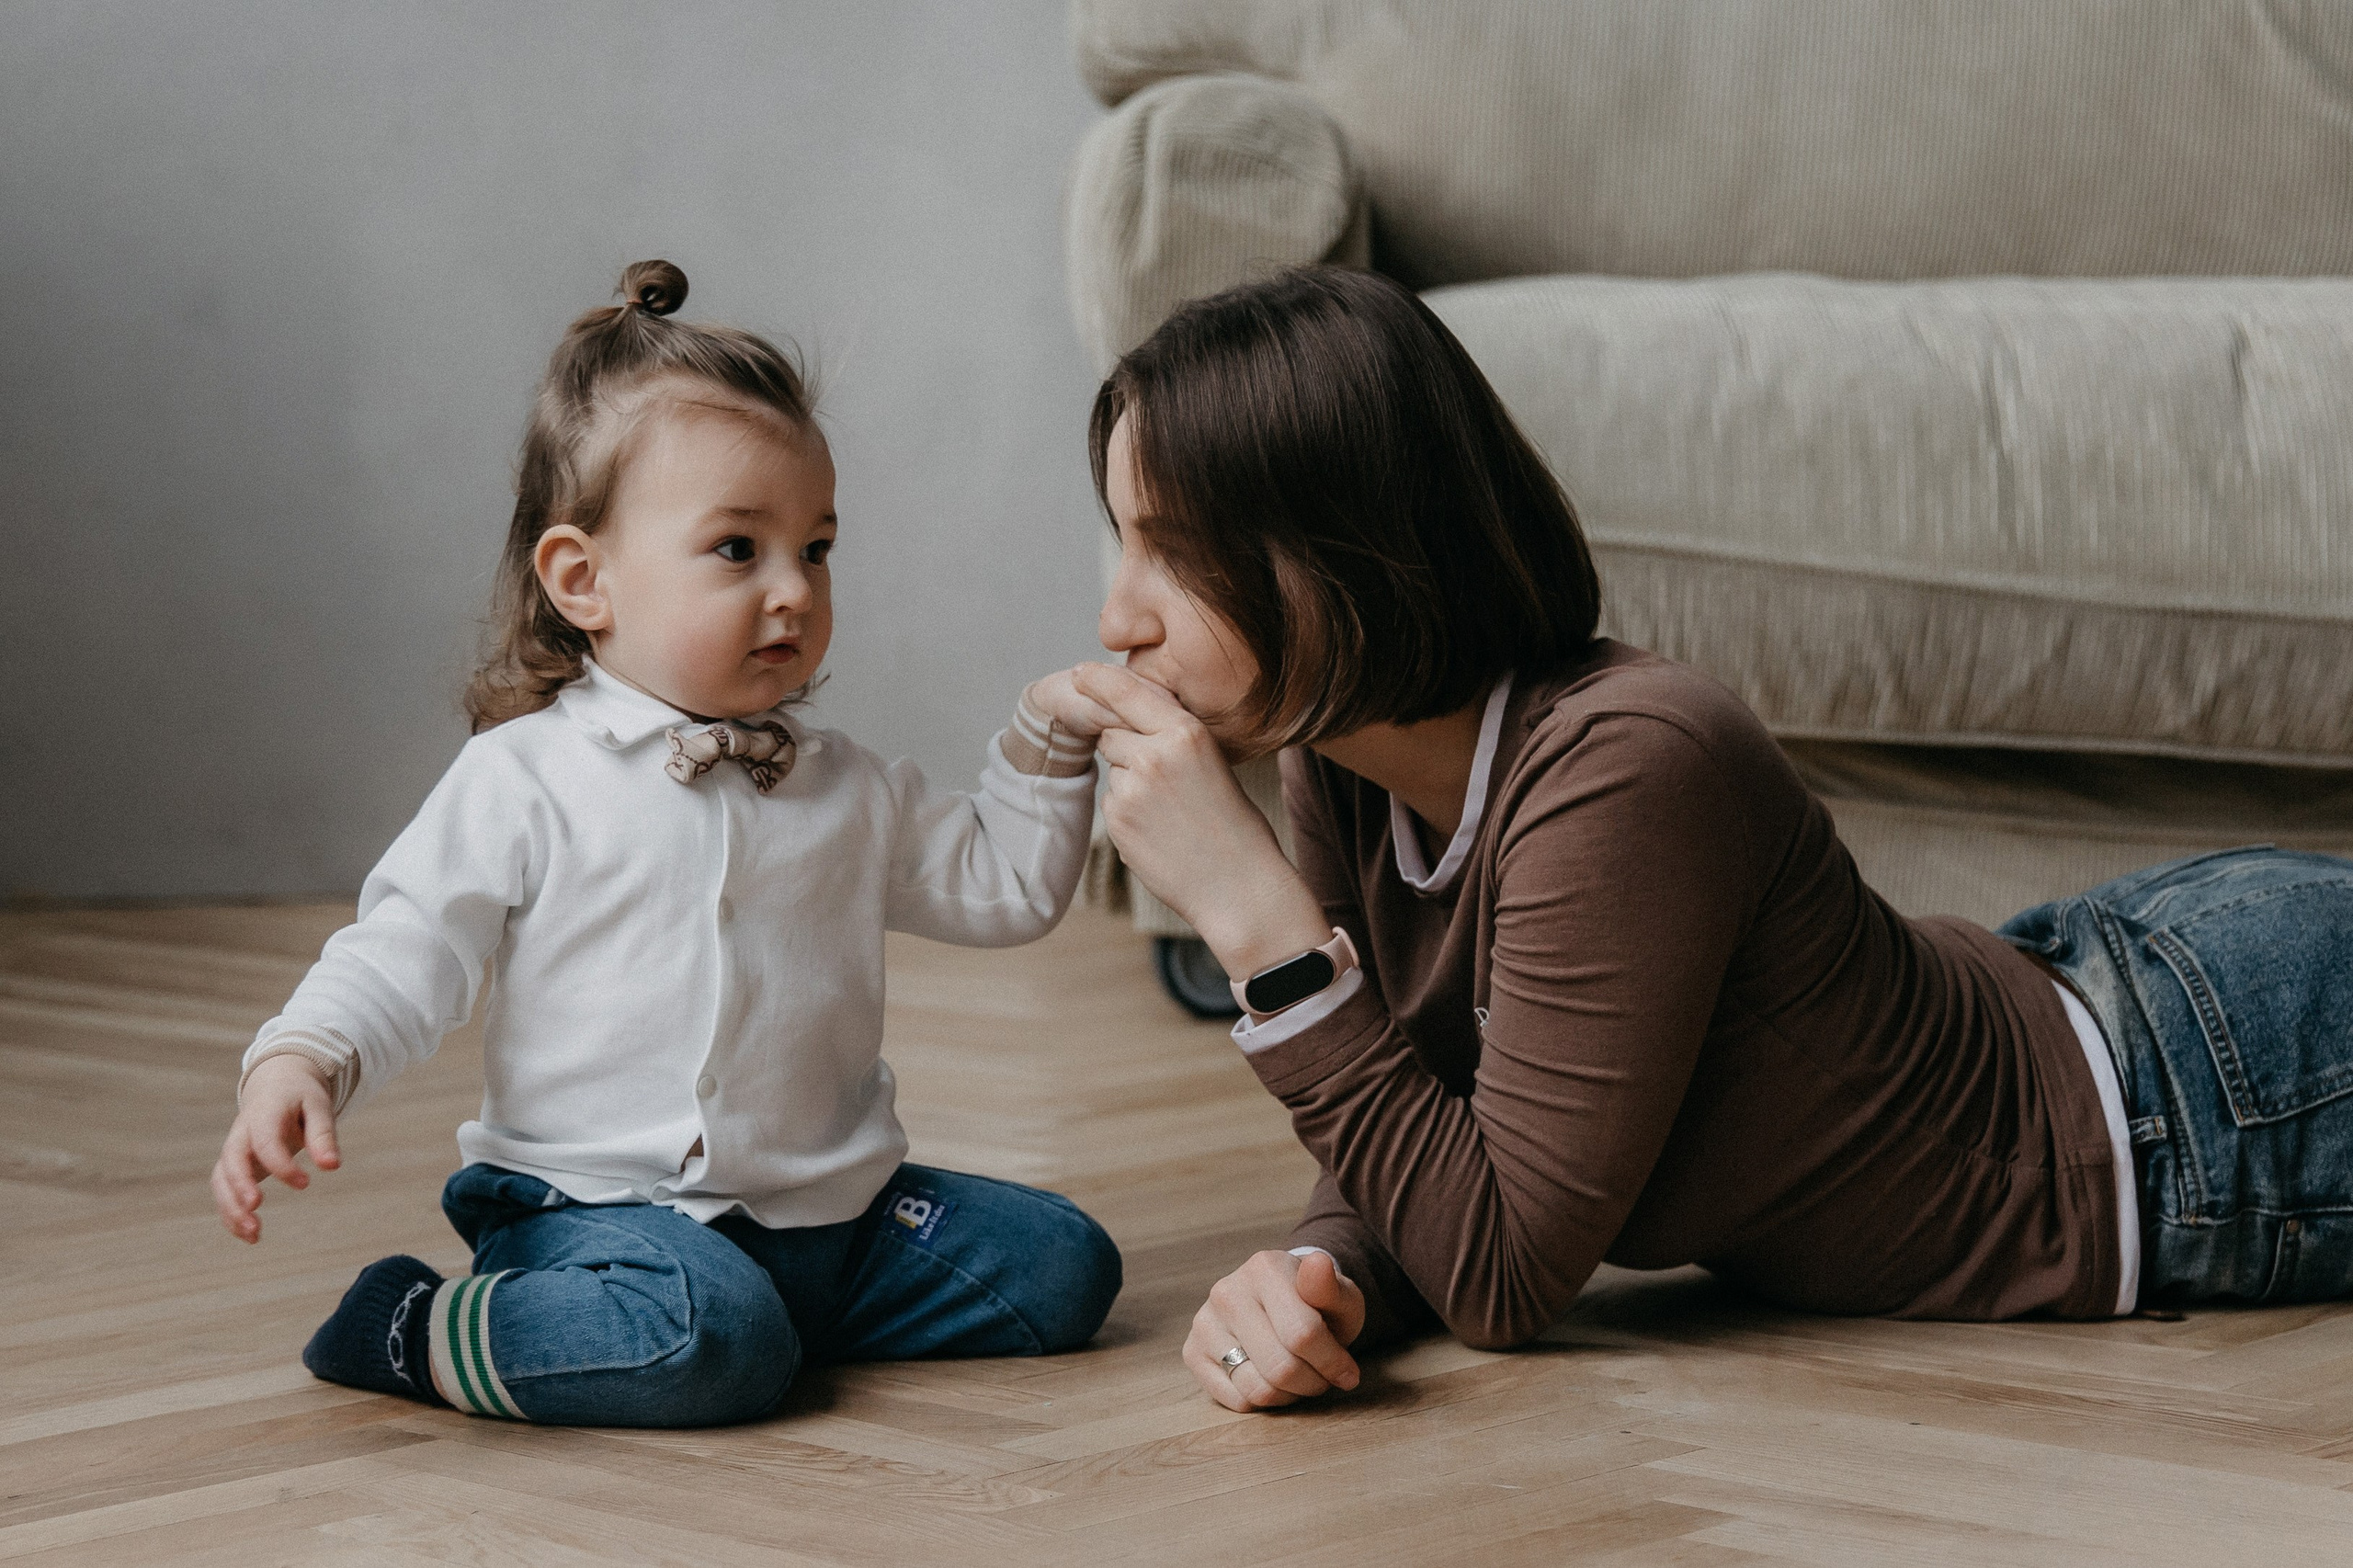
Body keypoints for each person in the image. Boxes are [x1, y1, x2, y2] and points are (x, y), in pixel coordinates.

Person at [1063, 265, 2353, 1414]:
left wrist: (1260, 926)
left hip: (2212, 1103)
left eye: (1178, 552)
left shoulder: (1630, 763)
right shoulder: (1341, 760)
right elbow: (1432, 1119)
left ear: (1347, 550)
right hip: (2128, 987)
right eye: (1125, 541)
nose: (1120, 618)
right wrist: (1321, 1274)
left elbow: (1502, 1272)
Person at [210, 260, 1122, 1427]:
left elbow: (1005, 888)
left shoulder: (846, 786)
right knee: (709, 1334)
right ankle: (415, 1324)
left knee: (1063, 1264)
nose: (794, 589)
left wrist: (1048, 745)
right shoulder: (525, 777)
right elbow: (406, 948)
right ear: (583, 578)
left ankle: (744, 1318)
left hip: (830, 1214)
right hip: (589, 1210)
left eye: (816, 547)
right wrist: (303, 1057)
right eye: (739, 548)